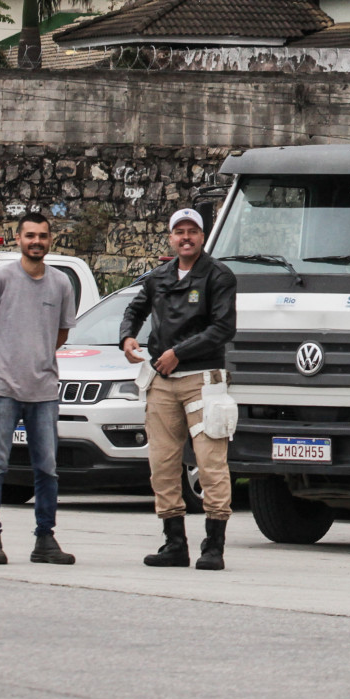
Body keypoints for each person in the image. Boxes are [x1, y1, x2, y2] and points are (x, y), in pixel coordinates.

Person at [121, 207, 238, 570]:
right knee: (163, 463)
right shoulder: (158, 277)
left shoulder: (219, 276)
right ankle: (174, 541)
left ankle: (214, 544)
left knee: (210, 462)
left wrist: (178, 353)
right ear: (170, 237)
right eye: (179, 232)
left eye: (192, 231)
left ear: (202, 237)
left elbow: (223, 328)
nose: (185, 237)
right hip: (162, 380)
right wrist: (126, 337)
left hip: (202, 380)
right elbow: (135, 308)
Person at [0, 212, 79, 565]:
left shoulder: (61, 284)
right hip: (2, 388)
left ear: (50, 241)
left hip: (43, 390)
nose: (36, 242)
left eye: (43, 236)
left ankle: (44, 539)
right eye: (30, 235)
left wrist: (37, 356)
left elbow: (62, 333)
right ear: (18, 238)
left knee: (46, 468)